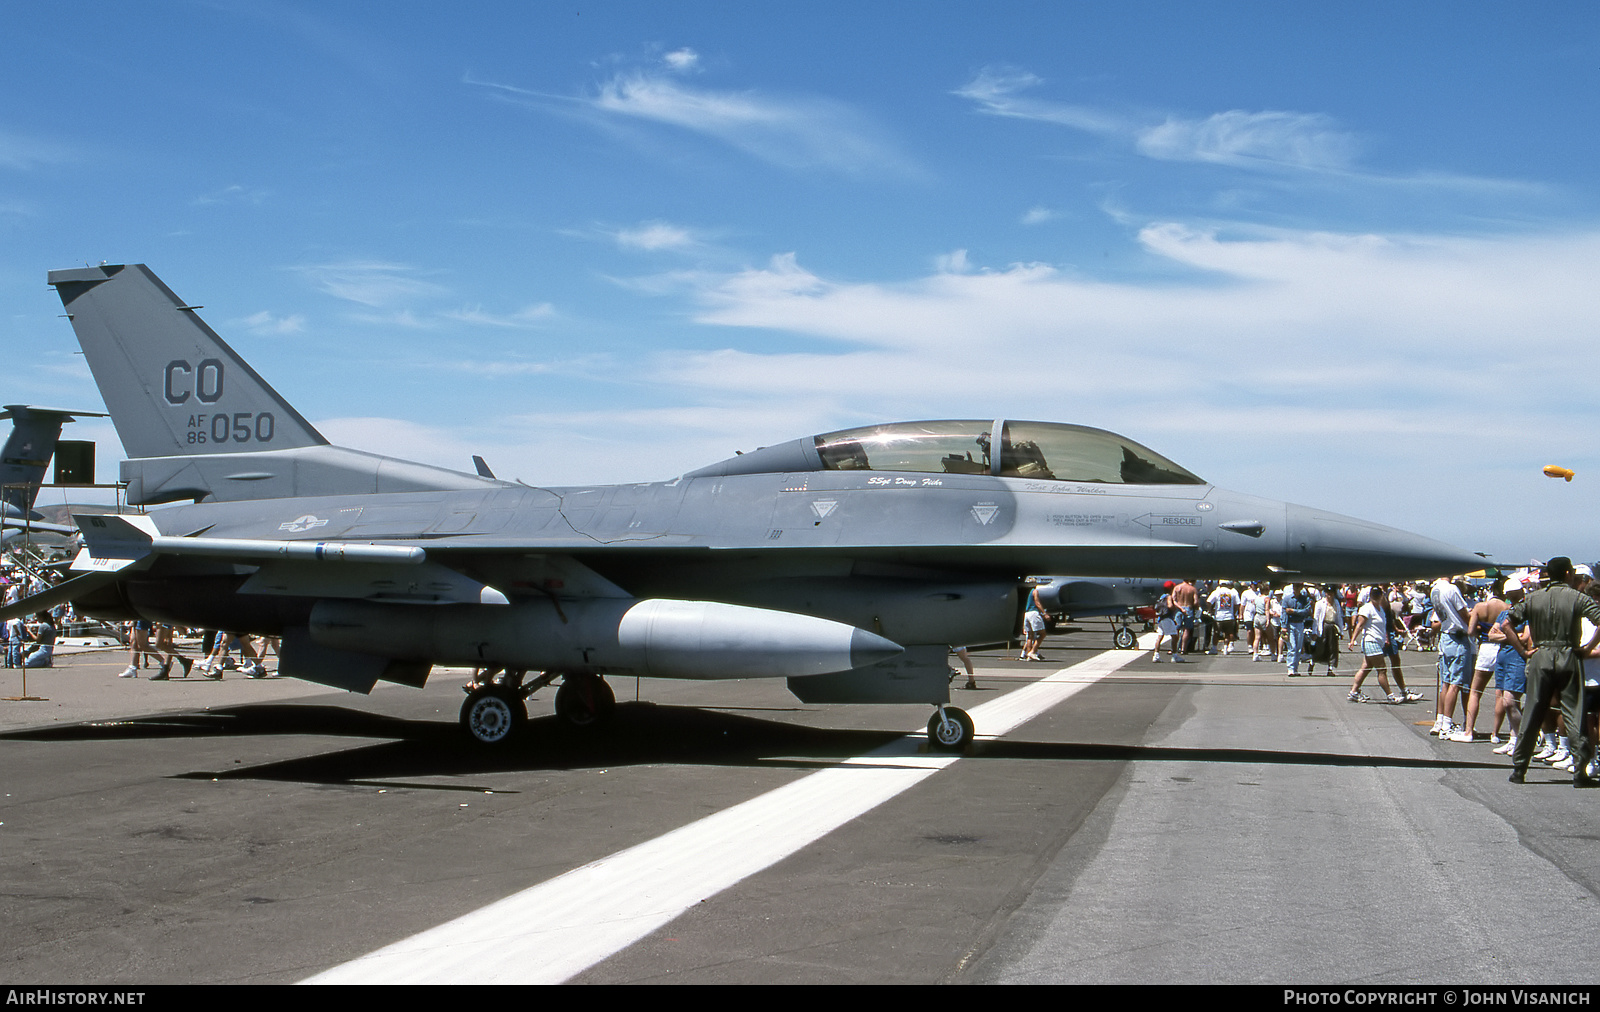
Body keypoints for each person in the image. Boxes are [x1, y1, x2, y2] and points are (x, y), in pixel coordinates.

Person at [1504, 558, 1600, 786]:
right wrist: (1587, 648)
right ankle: (1580, 770)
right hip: (1568, 654)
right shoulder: (1578, 598)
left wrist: (1523, 652)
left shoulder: (1534, 598)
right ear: (1568, 574)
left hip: (1541, 655)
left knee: (1533, 712)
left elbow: (1507, 625)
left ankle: (1519, 769)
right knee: (1573, 713)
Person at [1430, 575, 1473, 738]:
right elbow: (1464, 614)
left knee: (1446, 682)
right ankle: (1447, 724)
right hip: (1457, 636)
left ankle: (1441, 720)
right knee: (1456, 682)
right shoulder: (1451, 589)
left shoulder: (1435, 589)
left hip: (1445, 636)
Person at [1019, 584, 1047, 661]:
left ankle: (1029, 654)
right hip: (1033, 613)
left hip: (1027, 613)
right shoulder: (1035, 591)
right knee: (1043, 633)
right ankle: (1033, 651)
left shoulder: (1027, 593)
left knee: (1030, 636)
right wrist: (1044, 613)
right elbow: (1037, 603)